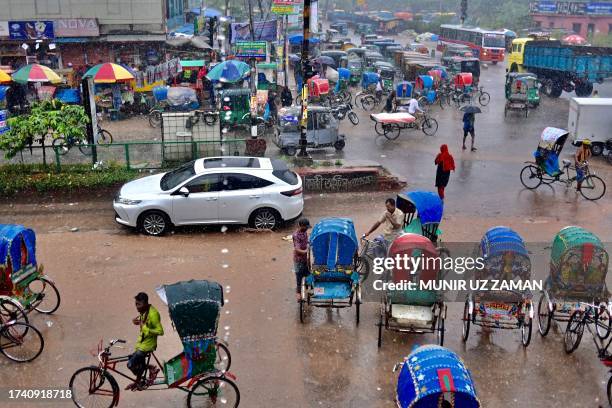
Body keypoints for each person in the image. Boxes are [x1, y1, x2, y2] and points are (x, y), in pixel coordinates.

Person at [126, 292, 164, 391]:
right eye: (136, 304)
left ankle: (151, 369)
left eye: (139, 304)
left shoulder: (153, 314)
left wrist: (145, 328)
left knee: (130, 364)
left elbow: (160, 331)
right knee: (132, 360)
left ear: (146, 303)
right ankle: (139, 380)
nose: (137, 307)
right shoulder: (143, 312)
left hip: (148, 345)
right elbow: (143, 324)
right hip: (141, 343)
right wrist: (137, 322)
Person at [293, 218, 311, 301]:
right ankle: (298, 294)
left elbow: (306, 241)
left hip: (305, 258)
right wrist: (305, 251)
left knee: (308, 273)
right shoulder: (296, 235)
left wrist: (309, 243)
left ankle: (308, 288)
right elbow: (297, 249)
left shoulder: (304, 233)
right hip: (298, 259)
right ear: (301, 226)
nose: (307, 228)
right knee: (299, 276)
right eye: (306, 227)